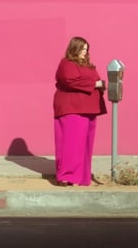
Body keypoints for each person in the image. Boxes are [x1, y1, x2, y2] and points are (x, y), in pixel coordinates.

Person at [52, 36, 107, 186]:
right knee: (72, 144)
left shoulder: (89, 66)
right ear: (74, 48)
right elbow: (69, 80)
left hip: (89, 108)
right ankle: (67, 176)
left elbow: (94, 81)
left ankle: (81, 177)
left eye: (86, 49)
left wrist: (100, 85)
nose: (85, 52)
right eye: (82, 48)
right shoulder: (66, 63)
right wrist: (95, 83)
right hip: (72, 108)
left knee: (85, 145)